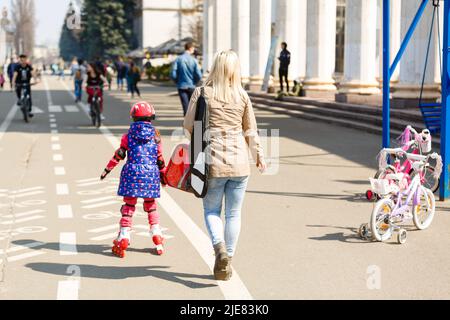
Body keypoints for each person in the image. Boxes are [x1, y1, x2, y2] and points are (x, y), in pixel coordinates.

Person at [183, 50, 267, 281]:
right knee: (233, 214)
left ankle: (219, 249)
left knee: (211, 211)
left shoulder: (201, 93)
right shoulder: (242, 95)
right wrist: (258, 155)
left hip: (212, 163)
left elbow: (189, 126)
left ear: (215, 67)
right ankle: (227, 259)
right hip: (240, 164)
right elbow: (250, 130)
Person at [100, 101, 168, 258]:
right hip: (150, 175)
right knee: (151, 205)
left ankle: (124, 234)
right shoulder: (156, 136)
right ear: (151, 117)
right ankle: (156, 233)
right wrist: (164, 176)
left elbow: (119, 155)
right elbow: (160, 160)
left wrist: (106, 170)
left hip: (131, 175)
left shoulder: (128, 136)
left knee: (129, 205)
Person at [171, 42, 202, 116]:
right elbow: (199, 74)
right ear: (191, 48)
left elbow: (173, 73)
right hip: (192, 85)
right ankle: (193, 125)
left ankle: (186, 124)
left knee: (185, 107)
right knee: (193, 107)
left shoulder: (178, 59)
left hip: (181, 85)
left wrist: (177, 81)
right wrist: (195, 82)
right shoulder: (194, 60)